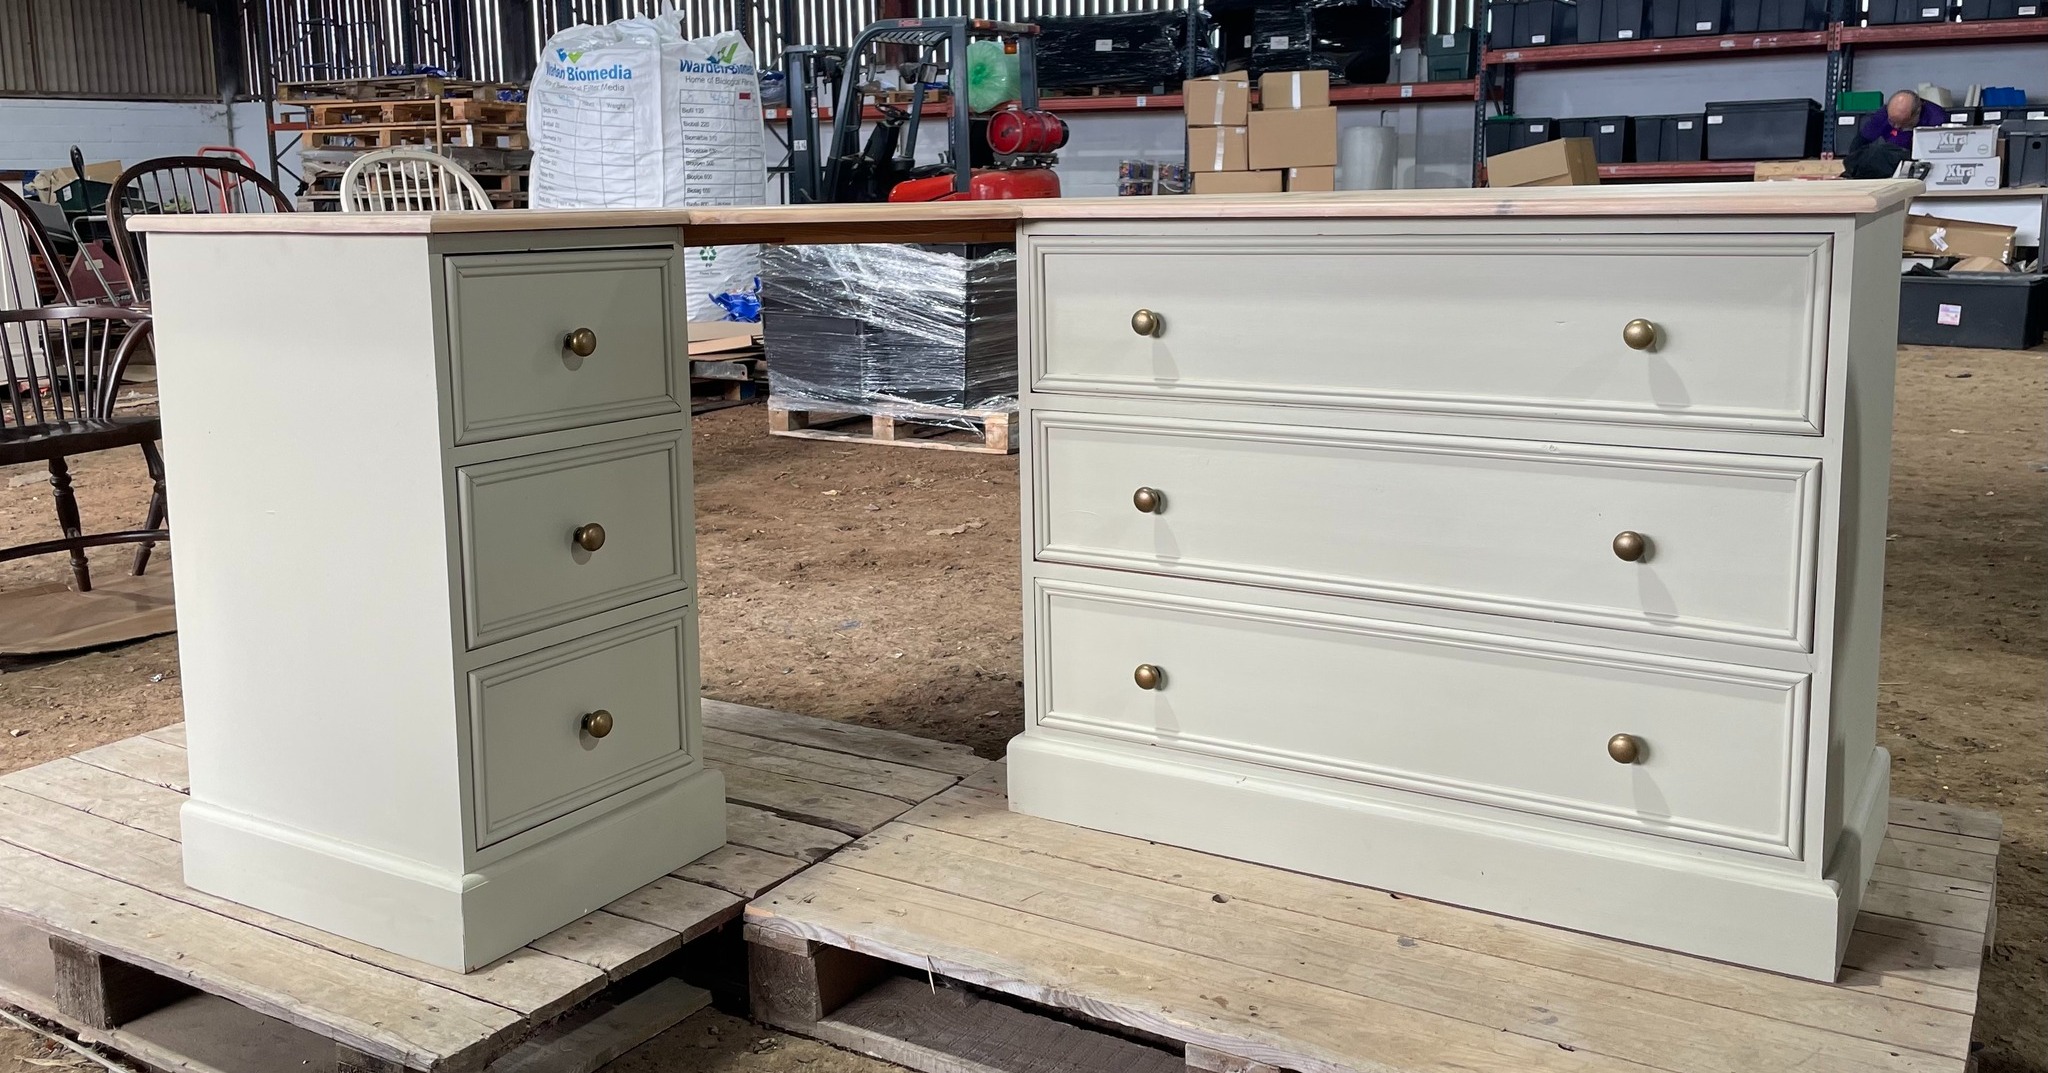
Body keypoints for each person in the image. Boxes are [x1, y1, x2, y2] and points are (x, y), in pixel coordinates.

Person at [1843, 91, 1949, 179]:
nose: (1897, 127)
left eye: (1904, 123)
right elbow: (1860, 141)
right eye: (1892, 122)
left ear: (1917, 113)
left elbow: (1937, 156)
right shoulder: (1885, 113)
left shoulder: (1936, 118)